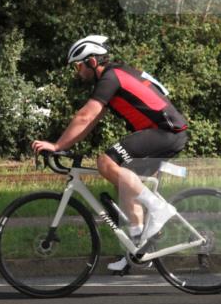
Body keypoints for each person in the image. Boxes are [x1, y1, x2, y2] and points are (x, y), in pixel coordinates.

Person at [31, 35, 189, 272]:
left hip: (165, 131)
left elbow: (84, 116)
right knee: (125, 184)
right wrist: (66, 144)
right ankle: (138, 249)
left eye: (79, 65)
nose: (77, 71)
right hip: (165, 131)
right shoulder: (117, 75)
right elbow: (90, 121)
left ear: (92, 62)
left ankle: (158, 209)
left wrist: (56, 146)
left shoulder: (110, 78)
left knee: (105, 162)